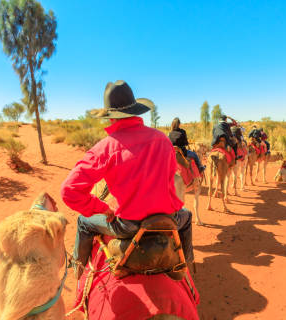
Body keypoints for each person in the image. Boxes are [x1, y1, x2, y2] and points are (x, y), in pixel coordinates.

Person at [60, 80, 197, 278]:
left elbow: (68, 191)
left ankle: (78, 273)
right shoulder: (162, 139)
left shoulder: (105, 148)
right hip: (167, 219)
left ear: (110, 117)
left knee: (83, 222)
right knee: (188, 216)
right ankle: (186, 263)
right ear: (135, 111)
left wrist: (102, 208)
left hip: (129, 225)